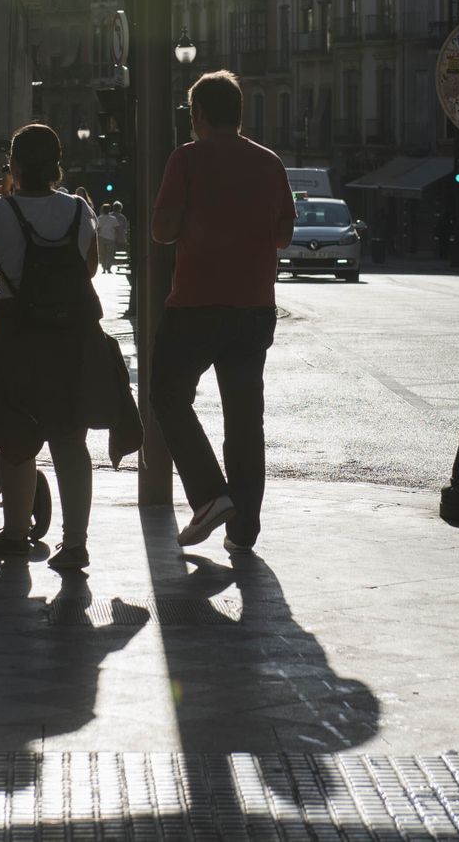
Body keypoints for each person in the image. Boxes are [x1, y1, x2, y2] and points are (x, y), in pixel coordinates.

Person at [0, 124, 141, 570]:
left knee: (16, 435)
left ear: (15, 166)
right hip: (72, 338)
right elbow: (91, 267)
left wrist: (3, 207)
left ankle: (16, 533)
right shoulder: (79, 210)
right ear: (57, 165)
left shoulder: (0, 211)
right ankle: (74, 543)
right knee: (70, 438)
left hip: (18, 337)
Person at [150, 70, 297, 556]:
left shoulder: (186, 159)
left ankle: (211, 495)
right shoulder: (270, 163)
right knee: (244, 416)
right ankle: (244, 528)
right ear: (240, 114)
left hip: (195, 302)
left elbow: (162, 231)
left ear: (197, 115)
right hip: (254, 307)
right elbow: (282, 236)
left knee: (167, 396)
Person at [96, 202, 120, 273]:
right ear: (109, 210)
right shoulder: (113, 218)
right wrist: (117, 237)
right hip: (111, 238)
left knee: (102, 254)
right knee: (110, 253)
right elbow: (117, 229)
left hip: (101, 237)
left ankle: (103, 268)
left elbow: (97, 229)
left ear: (102, 210)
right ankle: (108, 267)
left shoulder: (99, 218)